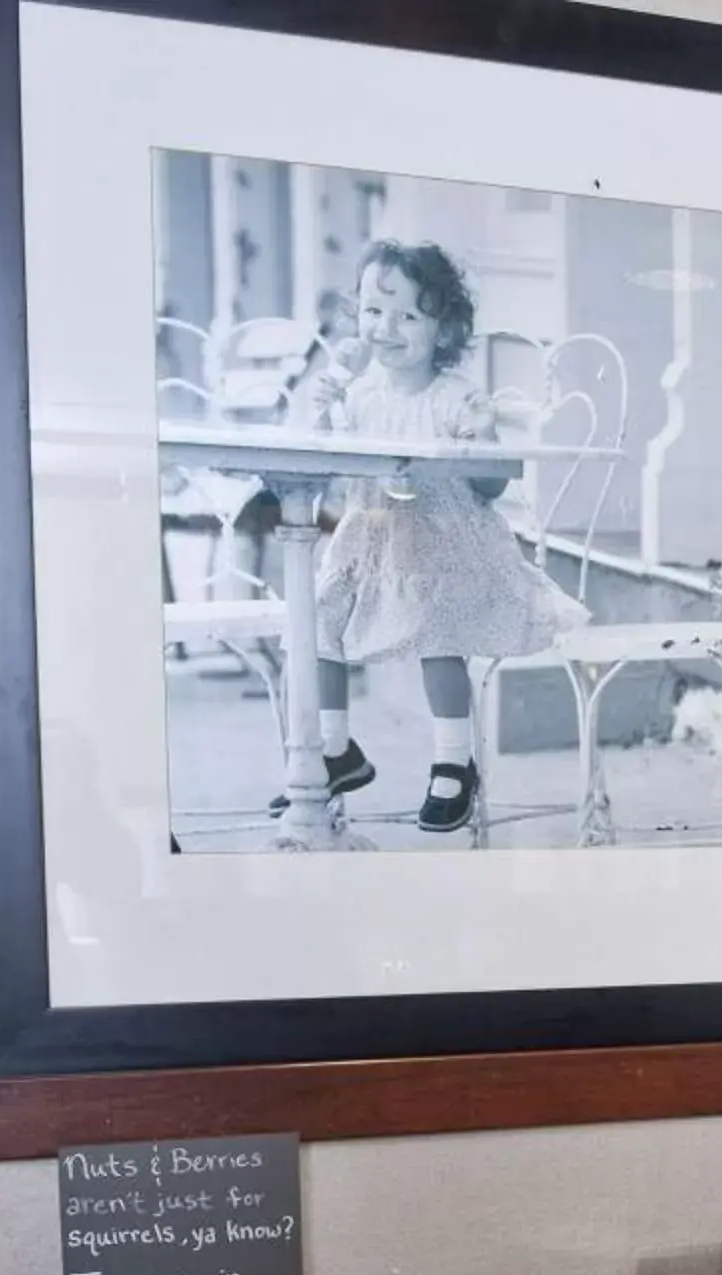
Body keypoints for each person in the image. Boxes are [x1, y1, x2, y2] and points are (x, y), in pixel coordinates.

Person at [284, 240, 586, 834]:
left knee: (436, 633)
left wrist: (480, 435)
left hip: (443, 544)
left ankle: (453, 762)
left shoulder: (453, 398)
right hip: (369, 540)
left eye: (408, 316)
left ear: (443, 329)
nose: (386, 328)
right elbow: (327, 471)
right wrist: (320, 415)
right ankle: (336, 750)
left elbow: (492, 485)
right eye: (373, 311)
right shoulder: (357, 395)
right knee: (315, 620)